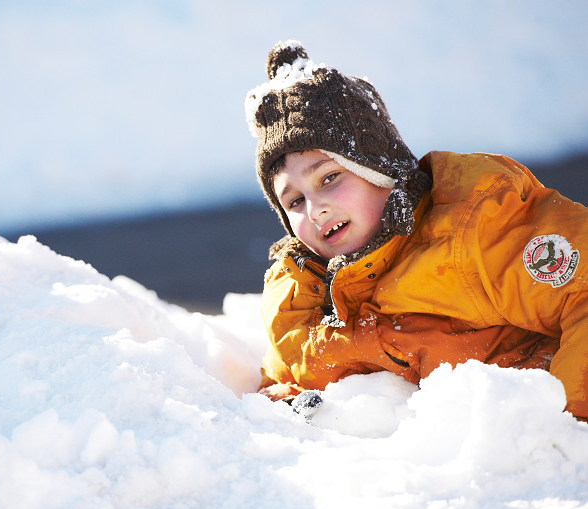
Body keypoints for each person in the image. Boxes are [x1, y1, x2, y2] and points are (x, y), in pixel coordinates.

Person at [244, 41, 588, 421]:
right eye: (294, 201)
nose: (315, 208)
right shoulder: (298, 293)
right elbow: (286, 375)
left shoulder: (472, 229)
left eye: (330, 178)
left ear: (382, 170)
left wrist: (566, 426)